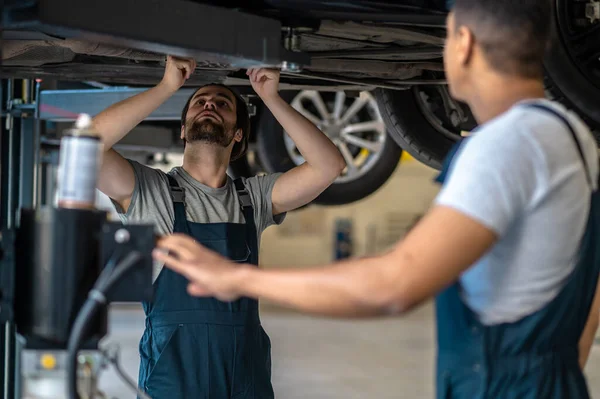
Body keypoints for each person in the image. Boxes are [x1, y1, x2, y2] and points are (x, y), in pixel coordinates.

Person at [153, 1, 600, 397]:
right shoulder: (573, 137)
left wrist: (238, 281)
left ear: (462, 43)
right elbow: (588, 288)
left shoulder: (503, 146)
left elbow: (394, 286)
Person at [94, 57, 345, 398]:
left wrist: (272, 97)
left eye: (222, 104)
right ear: (183, 129)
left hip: (244, 371)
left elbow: (329, 165)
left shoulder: (253, 197)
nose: (209, 104)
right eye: (199, 102)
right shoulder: (150, 191)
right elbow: (87, 146)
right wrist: (167, 87)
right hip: (175, 370)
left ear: (237, 133)